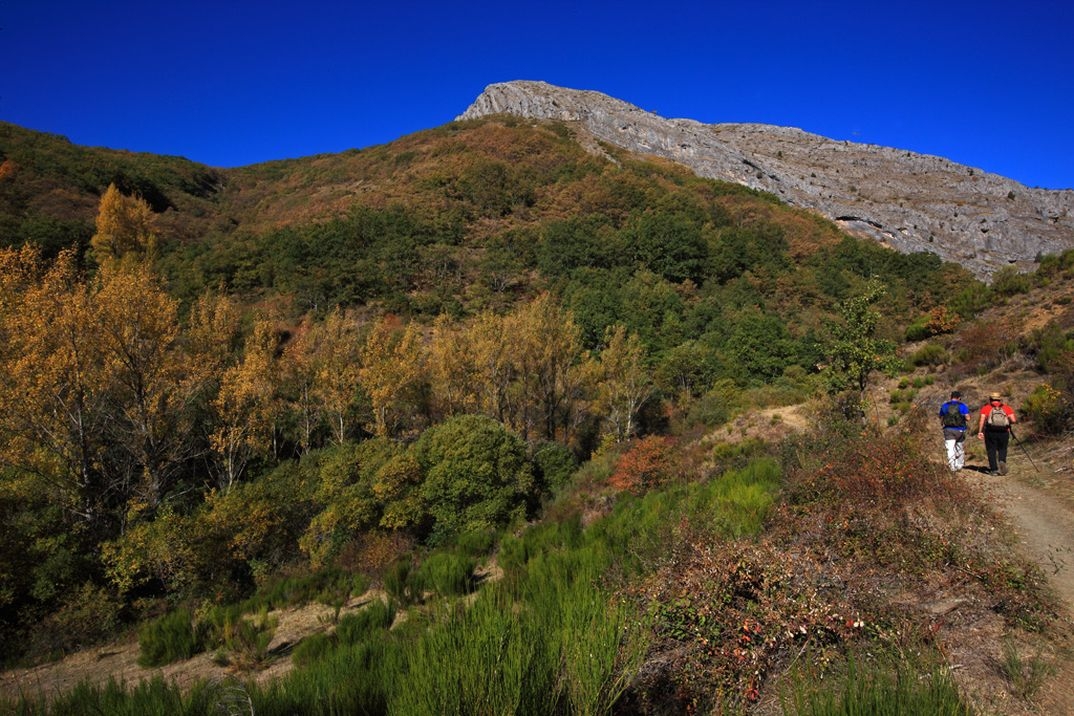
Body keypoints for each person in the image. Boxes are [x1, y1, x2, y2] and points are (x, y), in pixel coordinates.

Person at [977, 392, 1016, 475]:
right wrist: (1006, 423)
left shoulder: (986, 408)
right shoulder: (1006, 408)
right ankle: (1002, 461)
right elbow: (1013, 420)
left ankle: (994, 470)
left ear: (990, 399)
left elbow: (982, 421)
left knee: (991, 450)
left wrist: (980, 432)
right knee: (1002, 449)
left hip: (990, 432)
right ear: (999, 399)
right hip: (1004, 432)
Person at [938, 390, 969, 471]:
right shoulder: (963, 406)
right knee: (959, 447)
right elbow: (968, 418)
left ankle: (952, 466)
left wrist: (942, 423)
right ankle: (959, 465)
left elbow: (941, 416)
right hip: (960, 430)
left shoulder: (944, 406)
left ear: (951, 397)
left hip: (948, 429)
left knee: (950, 448)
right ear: (959, 398)